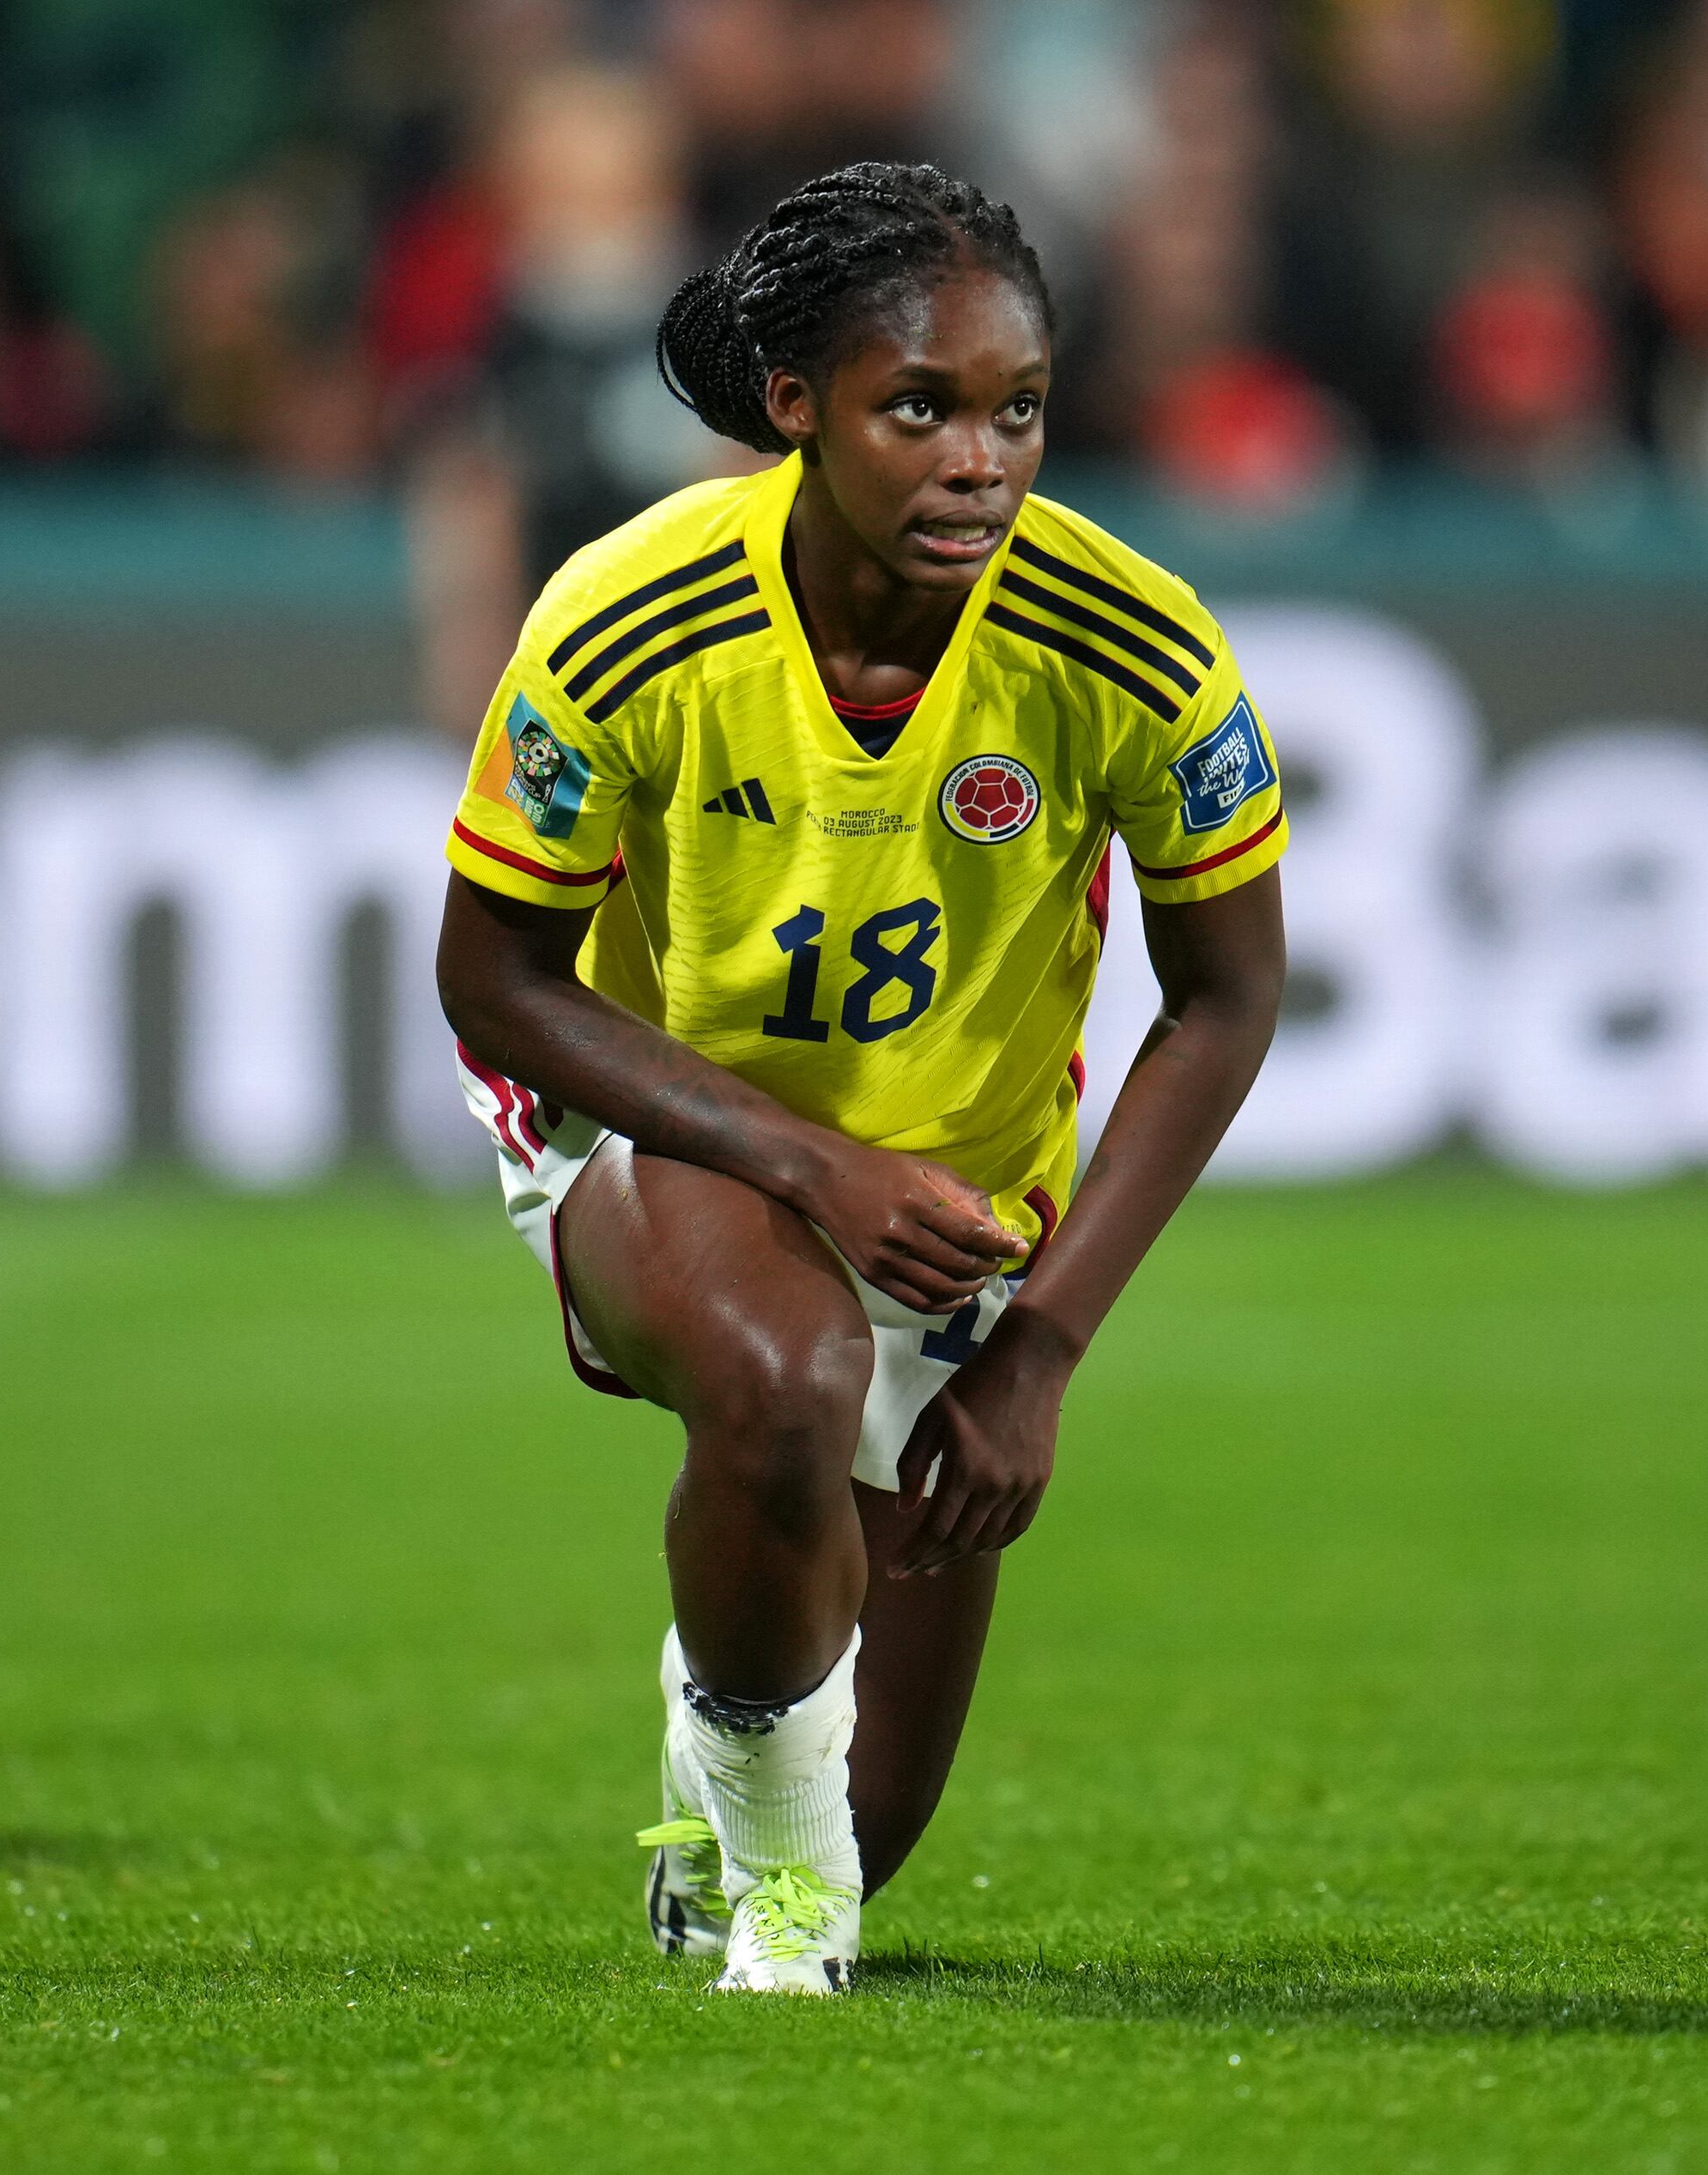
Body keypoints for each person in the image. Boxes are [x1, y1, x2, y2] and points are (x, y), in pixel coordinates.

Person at [434, 161, 1288, 1995]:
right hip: (649, 1112)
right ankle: (780, 1909)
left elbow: (1222, 998)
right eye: (922, 407)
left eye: (1016, 410)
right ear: (792, 405)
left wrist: (1040, 1346)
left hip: (952, 1203)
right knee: (781, 1378)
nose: (979, 458)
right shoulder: (625, 614)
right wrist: (809, 1172)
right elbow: (489, 978)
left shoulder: (1133, 645)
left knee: (869, 1807)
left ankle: (724, 1744)